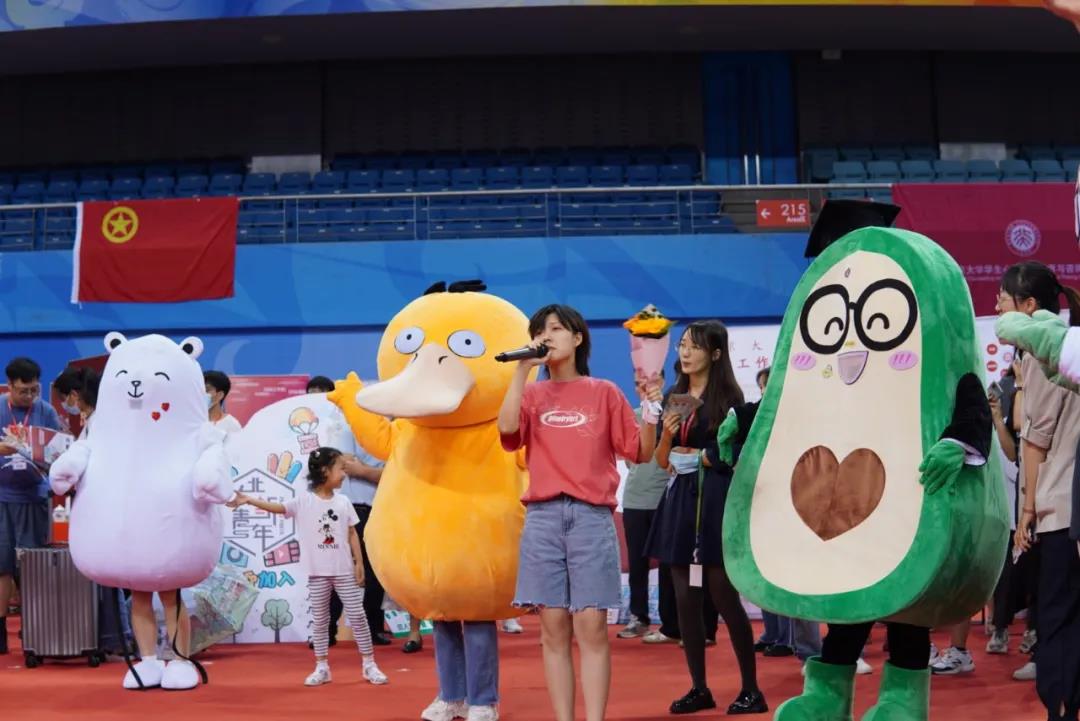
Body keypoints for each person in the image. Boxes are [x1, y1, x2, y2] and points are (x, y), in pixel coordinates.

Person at [498, 303, 661, 721]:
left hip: (591, 518)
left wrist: (650, 409)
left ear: (577, 337)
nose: (545, 336)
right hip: (543, 518)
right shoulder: (531, 394)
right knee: (552, 630)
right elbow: (507, 431)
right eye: (539, 331)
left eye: (555, 328)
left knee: (591, 628)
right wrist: (521, 370)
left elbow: (640, 452)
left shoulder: (604, 392)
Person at [647, 321, 766, 715]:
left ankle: (751, 689)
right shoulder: (675, 397)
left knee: (724, 597)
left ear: (715, 354)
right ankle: (699, 688)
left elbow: (733, 454)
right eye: (682, 344)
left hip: (715, 500)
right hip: (680, 501)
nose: (685, 352)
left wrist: (703, 457)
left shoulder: (730, 399)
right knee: (685, 599)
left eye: (694, 346)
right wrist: (667, 436)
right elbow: (661, 460)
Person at [230, 447, 388, 687]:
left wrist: (358, 563)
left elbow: (352, 533)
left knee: (358, 616)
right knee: (321, 620)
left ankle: (369, 664)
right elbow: (279, 508)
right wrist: (249, 499)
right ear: (325, 471)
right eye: (340, 469)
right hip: (317, 574)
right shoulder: (303, 501)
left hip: (343, 571)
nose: (344, 474)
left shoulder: (344, 502)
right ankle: (322, 667)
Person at [1000, 261, 1080, 720]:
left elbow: (1036, 439)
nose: (998, 308)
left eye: (1004, 300)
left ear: (1029, 306)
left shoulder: (1043, 355)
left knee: (1057, 618)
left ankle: (1061, 709)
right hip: (1067, 504)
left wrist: (1027, 511)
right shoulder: (1065, 344)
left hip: (1059, 509)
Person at [306, 375, 392, 649]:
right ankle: (326, 629)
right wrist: (368, 469)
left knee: (374, 571)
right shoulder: (343, 425)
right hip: (345, 507)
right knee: (334, 570)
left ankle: (374, 628)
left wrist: (364, 469)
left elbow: (391, 471)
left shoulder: (388, 428)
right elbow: (343, 463)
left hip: (379, 507)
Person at [0, 357, 62, 655]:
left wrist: (38, 453)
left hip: (34, 497)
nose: (29, 396)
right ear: (9, 386)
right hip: (1, 497)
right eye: (23, 391)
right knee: (2, 567)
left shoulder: (46, 411)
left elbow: (59, 452)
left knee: (32, 568)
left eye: (34, 390)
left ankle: (35, 629)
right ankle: (0, 631)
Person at [53, 367, 101, 438]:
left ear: (73, 394)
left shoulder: (95, 423)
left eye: (62, 398)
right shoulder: (91, 420)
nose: (63, 404)